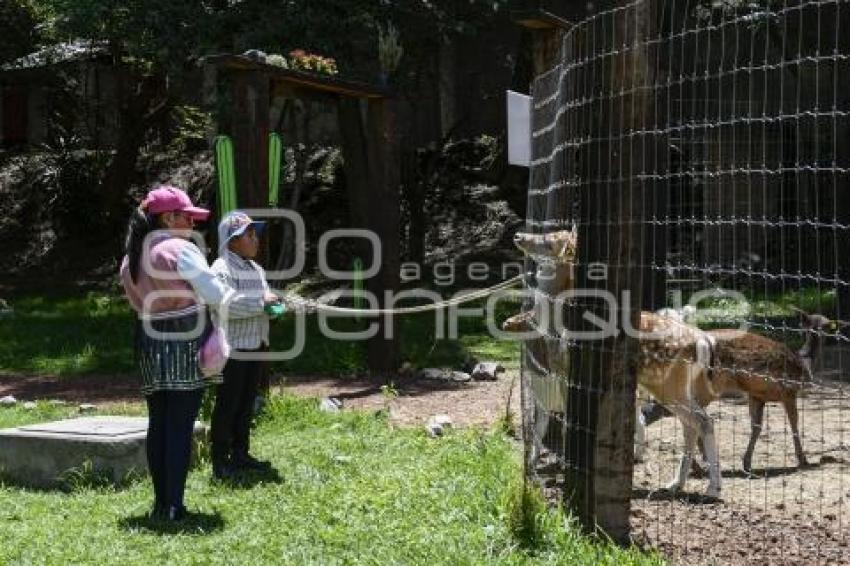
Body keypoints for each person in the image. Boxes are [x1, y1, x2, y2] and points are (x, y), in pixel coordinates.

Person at [119, 186, 279, 521]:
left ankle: (162, 504)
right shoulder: (179, 249)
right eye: (187, 217)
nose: (192, 225)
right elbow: (215, 292)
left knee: (159, 424)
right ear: (168, 217)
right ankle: (175, 506)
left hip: (148, 341)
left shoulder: (130, 257)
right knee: (179, 425)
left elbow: (135, 301)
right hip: (183, 338)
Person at [210, 211, 281, 479]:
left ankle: (241, 453)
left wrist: (274, 307)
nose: (256, 240)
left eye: (255, 234)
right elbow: (226, 304)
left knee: (246, 401)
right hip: (232, 349)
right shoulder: (220, 269)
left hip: (255, 345)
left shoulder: (256, 269)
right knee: (228, 403)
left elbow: (263, 299)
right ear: (231, 241)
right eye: (249, 235)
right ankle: (220, 459)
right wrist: (261, 303)